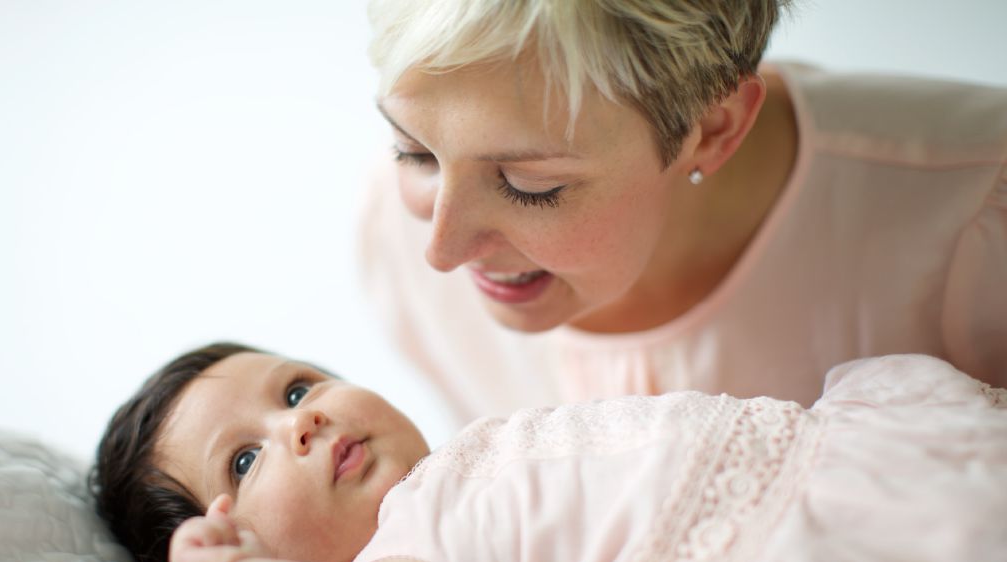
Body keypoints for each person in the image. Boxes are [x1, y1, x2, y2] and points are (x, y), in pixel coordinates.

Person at [360, 0, 1007, 424]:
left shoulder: (976, 217)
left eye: (530, 185)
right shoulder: (391, 233)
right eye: (415, 151)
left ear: (715, 130)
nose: (441, 252)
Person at [90, 343, 1007, 562]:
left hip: (842, 461)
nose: (304, 421)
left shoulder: (464, 457)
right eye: (245, 458)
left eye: (296, 387)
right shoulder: (400, 558)